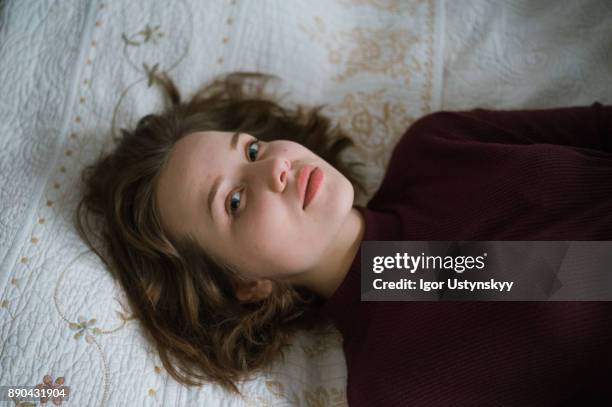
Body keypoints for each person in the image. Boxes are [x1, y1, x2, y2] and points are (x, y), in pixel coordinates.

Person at [76, 70, 612, 405]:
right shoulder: (394, 387)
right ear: (246, 285)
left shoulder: (434, 145)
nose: (277, 169)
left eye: (253, 150)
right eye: (234, 202)